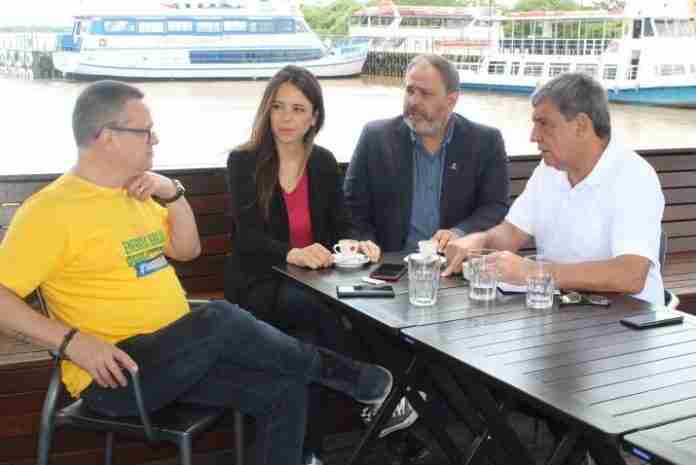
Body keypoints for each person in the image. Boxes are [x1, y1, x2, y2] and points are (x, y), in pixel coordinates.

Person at [0, 80, 393, 465]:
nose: (154, 140)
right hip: (117, 372)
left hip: (180, 356)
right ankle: (340, 372)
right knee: (217, 317)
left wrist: (172, 193)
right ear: (107, 137)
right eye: (145, 132)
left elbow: (187, 250)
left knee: (285, 389)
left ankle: (336, 376)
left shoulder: (132, 194)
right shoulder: (50, 211)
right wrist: (72, 342)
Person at [225, 65, 387, 463]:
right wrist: (290, 252)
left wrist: (353, 240)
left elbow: (340, 222)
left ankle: (310, 453)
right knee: (314, 313)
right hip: (260, 281)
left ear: (314, 116)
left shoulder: (323, 161)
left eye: (298, 109)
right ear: (266, 110)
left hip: (311, 284)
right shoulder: (244, 161)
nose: (285, 118)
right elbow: (246, 237)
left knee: (311, 336)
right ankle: (376, 390)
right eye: (278, 107)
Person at [443, 72, 665, 305]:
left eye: (544, 124)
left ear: (581, 125)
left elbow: (630, 275)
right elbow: (511, 233)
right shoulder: (549, 170)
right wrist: (480, 242)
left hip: (626, 325)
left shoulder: (634, 176)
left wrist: (534, 272)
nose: (533, 136)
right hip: (562, 310)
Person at [344, 53, 510, 254]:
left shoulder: (485, 141)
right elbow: (353, 206)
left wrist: (460, 232)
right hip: (388, 263)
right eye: (410, 91)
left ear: (451, 100)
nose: (413, 101)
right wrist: (364, 242)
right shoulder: (376, 137)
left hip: (453, 264)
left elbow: (494, 207)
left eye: (425, 94)